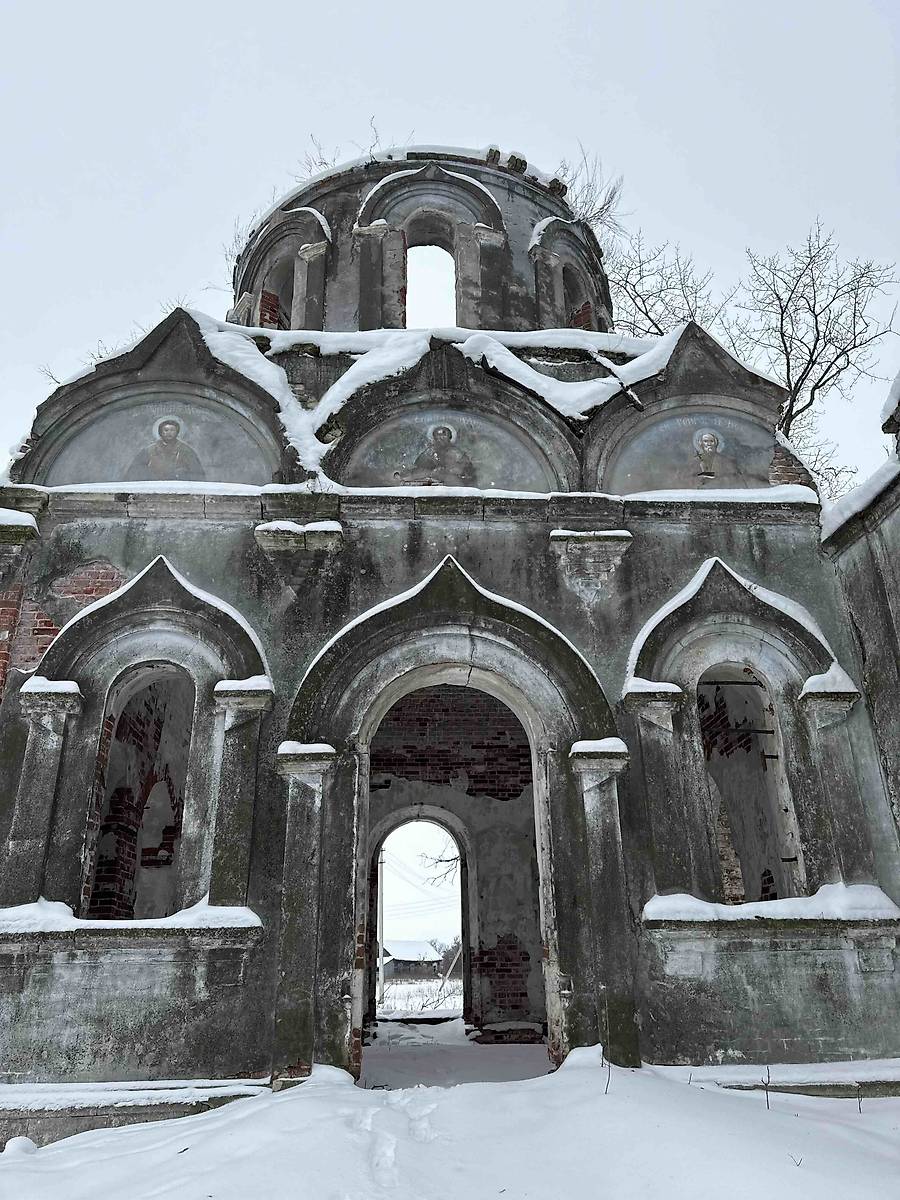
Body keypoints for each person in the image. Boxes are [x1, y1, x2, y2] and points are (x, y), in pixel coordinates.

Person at [125, 418, 206, 482]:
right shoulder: (149, 450)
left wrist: (182, 474)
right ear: (161, 432)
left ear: (177, 432)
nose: (169, 433)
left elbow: (197, 473)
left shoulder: (186, 450)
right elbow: (135, 471)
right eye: (166, 430)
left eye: (172, 430)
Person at [396, 425, 477, 486]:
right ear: (434, 438)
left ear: (450, 437)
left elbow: (467, 472)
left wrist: (451, 472)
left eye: (444, 435)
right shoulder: (429, 452)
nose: (441, 438)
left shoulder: (458, 453)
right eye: (438, 435)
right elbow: (419, 469)